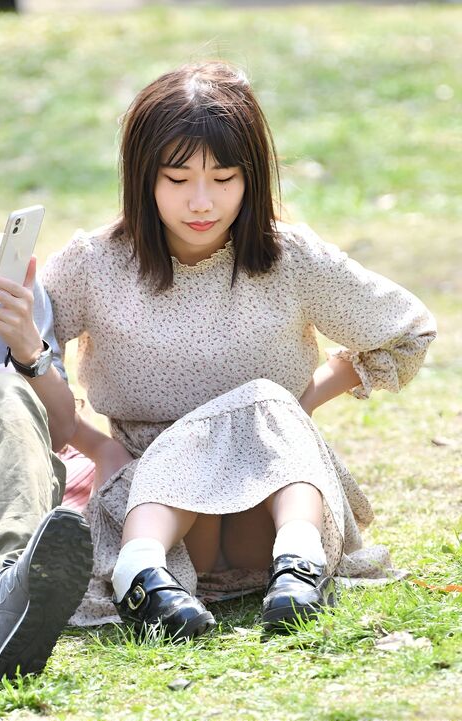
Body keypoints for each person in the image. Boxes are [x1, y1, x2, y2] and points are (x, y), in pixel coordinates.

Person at [41, 61, 436, 641]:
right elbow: (25, 360)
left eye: (223, 178)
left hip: (269, 511)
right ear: (142, 176)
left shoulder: (289, 258)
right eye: (177, 179)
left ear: (251, 176)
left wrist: (297, 406)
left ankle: (298, 567)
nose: (202, 202)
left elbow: (407, 329)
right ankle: (142, 574)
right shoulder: (94, 265)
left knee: (262, 403)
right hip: (163, 512)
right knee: (249, 409)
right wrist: (97, 446)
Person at [0, 231, 93, 680]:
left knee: (7, 391)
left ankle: (5, 590)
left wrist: (28, 347)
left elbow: (61, 430)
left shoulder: (0, 267)